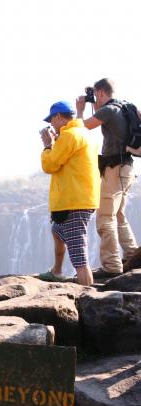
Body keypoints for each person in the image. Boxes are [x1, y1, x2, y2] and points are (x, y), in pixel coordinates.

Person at [76, 78, 138, 279]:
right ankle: (131, 255)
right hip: (126, 168)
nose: (94, 99)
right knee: (118, 215)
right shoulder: (124, 107)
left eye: (95, 95)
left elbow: (83, 128)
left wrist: (79, 110)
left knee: (105, 217)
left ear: (100, 92)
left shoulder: (109, 110)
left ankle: (112, 265)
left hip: (114, 168)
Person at [39, 100, 100, 286]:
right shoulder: (83, 133)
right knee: (57, 231)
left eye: (51, 120)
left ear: (58, 117)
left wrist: (48, 145)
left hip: (74, 201)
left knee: (79, 256)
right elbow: (67, 159)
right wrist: (57, 141)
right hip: (81, 198)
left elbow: (50, 164)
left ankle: (89, 298)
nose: (51, 124)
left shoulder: (69, 136)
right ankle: (57, 271)